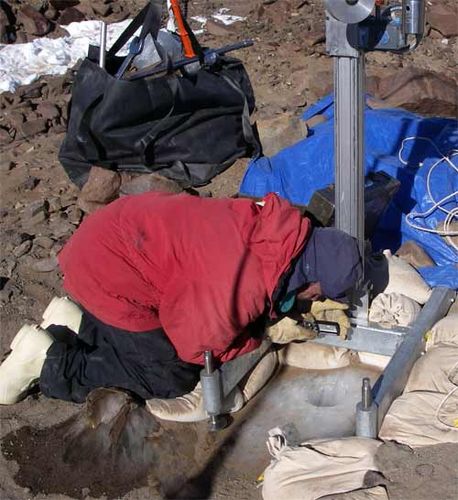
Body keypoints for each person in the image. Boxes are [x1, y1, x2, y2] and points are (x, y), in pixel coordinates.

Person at [0, 191, 362, 411]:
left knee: (159, 330)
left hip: (116, 239)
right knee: (169, 374)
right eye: (318, 293)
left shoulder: (275, 225)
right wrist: (262, 336)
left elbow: (239, 285)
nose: (315, 299)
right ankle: (48, 361)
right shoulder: (241, 284)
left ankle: (76, 323)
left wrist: (282, 307)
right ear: (310, 277)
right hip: (106, 271)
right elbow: (194, 346)